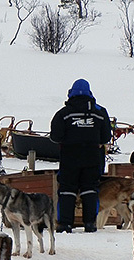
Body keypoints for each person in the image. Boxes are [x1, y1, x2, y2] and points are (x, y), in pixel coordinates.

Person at [50, 78, 112, 233]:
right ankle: (90, 224)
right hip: (92, 158)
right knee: (90, 189)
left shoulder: (63, 113)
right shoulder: (100, 112)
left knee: (66, 190)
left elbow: (55, 137)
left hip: (69, 158)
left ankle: (65, 225)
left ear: (71, 93)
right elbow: (106, 138)